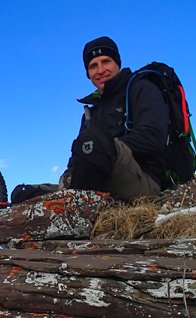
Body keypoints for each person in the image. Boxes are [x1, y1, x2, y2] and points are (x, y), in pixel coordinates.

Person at [58, 36, 168, 201]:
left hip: (142, 181)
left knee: (94, 142)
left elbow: (153, 139)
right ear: (88, 73)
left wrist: (106, 148)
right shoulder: (90, 114)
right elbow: (78, 157)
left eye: (106, 61)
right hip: (97, 181)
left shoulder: (142, 89)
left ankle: (77, 208)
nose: (100, 70)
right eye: (93, 66)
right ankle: (73, 201)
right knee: (23, 192)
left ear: (117, 63)